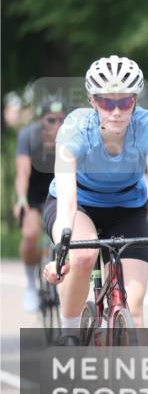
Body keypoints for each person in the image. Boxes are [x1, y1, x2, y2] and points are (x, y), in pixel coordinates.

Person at [43, 56, 148, 336]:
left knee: (133, 310)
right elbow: (67, 199)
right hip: (80, 207)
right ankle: (69, 335)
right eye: (106, 102)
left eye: (124, 102)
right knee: (84, 254)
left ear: (135, 101)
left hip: (127, 208)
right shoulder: (75, 130)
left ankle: (127, 376)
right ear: (92, 101)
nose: (116, 111)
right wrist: (62, 253)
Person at [13, 97, 65, 311]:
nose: (57, 125)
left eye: (62, 120)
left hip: (61, 190)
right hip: (34, 193)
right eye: (51, 120)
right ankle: (30, 285)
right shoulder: (29, 136)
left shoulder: (70, 136)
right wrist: (22, 200)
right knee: (30, 234)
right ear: (40, 121)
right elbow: (22, 172)